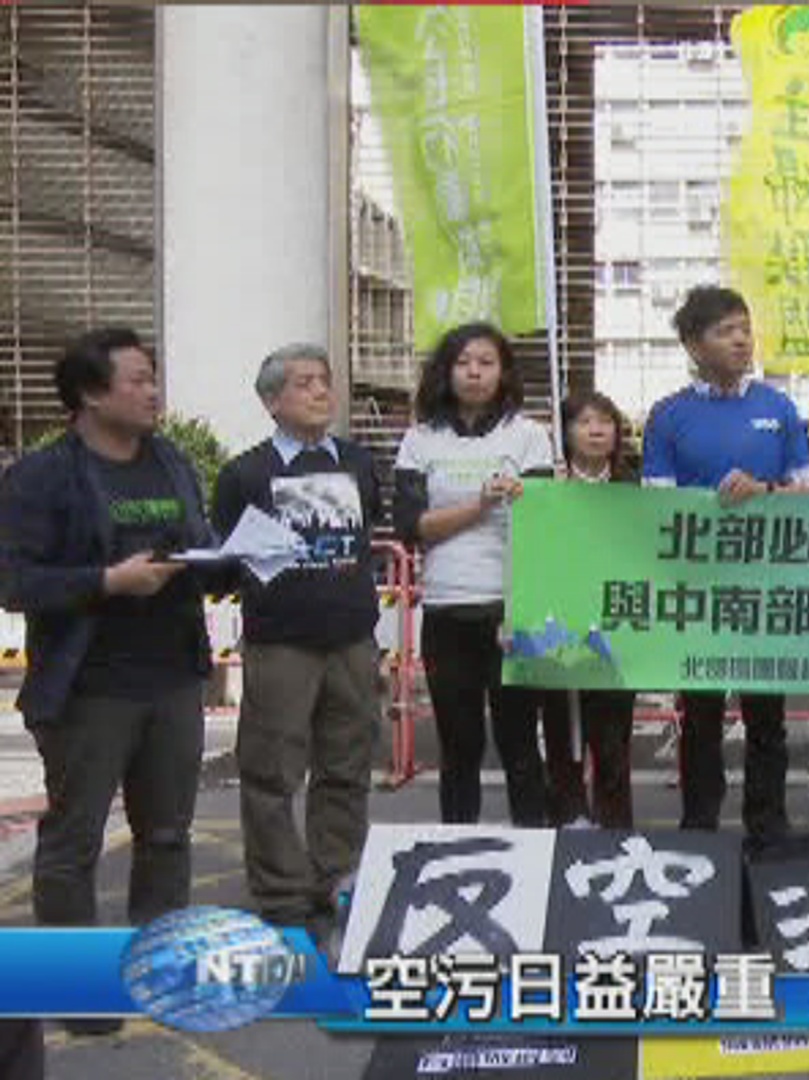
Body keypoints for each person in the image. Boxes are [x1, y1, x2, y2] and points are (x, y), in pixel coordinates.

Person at [0, 328, 218, 1038]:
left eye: (154, 378)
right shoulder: (43, 476)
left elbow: (196, 544)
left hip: (174, 676)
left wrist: (228, 561)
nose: (153, 392)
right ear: (92, 395)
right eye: (137, 380)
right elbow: (16, 581)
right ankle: (81, 994)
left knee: (167, 834)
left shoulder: (170, 461)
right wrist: (107, 581)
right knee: (74, 842)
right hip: (89, 687)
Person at [211, 344, 383, 946]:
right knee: (271, 771)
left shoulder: (357, 462)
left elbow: (368, 532)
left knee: (347, 764)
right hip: (281, 642)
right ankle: (282, 890)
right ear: (271, 401)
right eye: (304, 383)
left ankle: (338, 875)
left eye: (324, 380)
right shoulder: (246, 473)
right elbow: (226, 557)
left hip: (352, 638)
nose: (319, 391)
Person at [640, 285, 809, 852]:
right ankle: (700, 830)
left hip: (766, 589)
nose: (741, 340)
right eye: (725, 331)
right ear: (694, 345)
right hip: (699, 592)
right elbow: (655, 505)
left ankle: (768, 826)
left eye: (745, 328)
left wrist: (763, 491)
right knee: (701, 718)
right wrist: (711, 504)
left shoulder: (779, 408)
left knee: (767, 718)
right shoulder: (668, 416)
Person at [394, 323, 553, 828]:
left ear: (504, 372)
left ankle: (535, 847)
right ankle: (457, 846)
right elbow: (412, 526)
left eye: (486, 362)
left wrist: (528, 502)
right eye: (463, 362)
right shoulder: (420, 439)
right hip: (447, 609)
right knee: (459, 746)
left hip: (510, 611)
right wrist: (479, 505)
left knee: (520, 743)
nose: (475, 372)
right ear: (445, 371)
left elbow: (546, 527)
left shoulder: (528, 437)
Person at [539, 390, 639, 830]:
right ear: (565, 432)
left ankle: (615, 828)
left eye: (605, 421)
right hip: (558, 625)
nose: (596, 431)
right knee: (562, 734)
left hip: (616, 625)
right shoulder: (546, 488)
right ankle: (567, 820)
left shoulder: (634, 488)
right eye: (584, 422)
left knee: (613, 738)